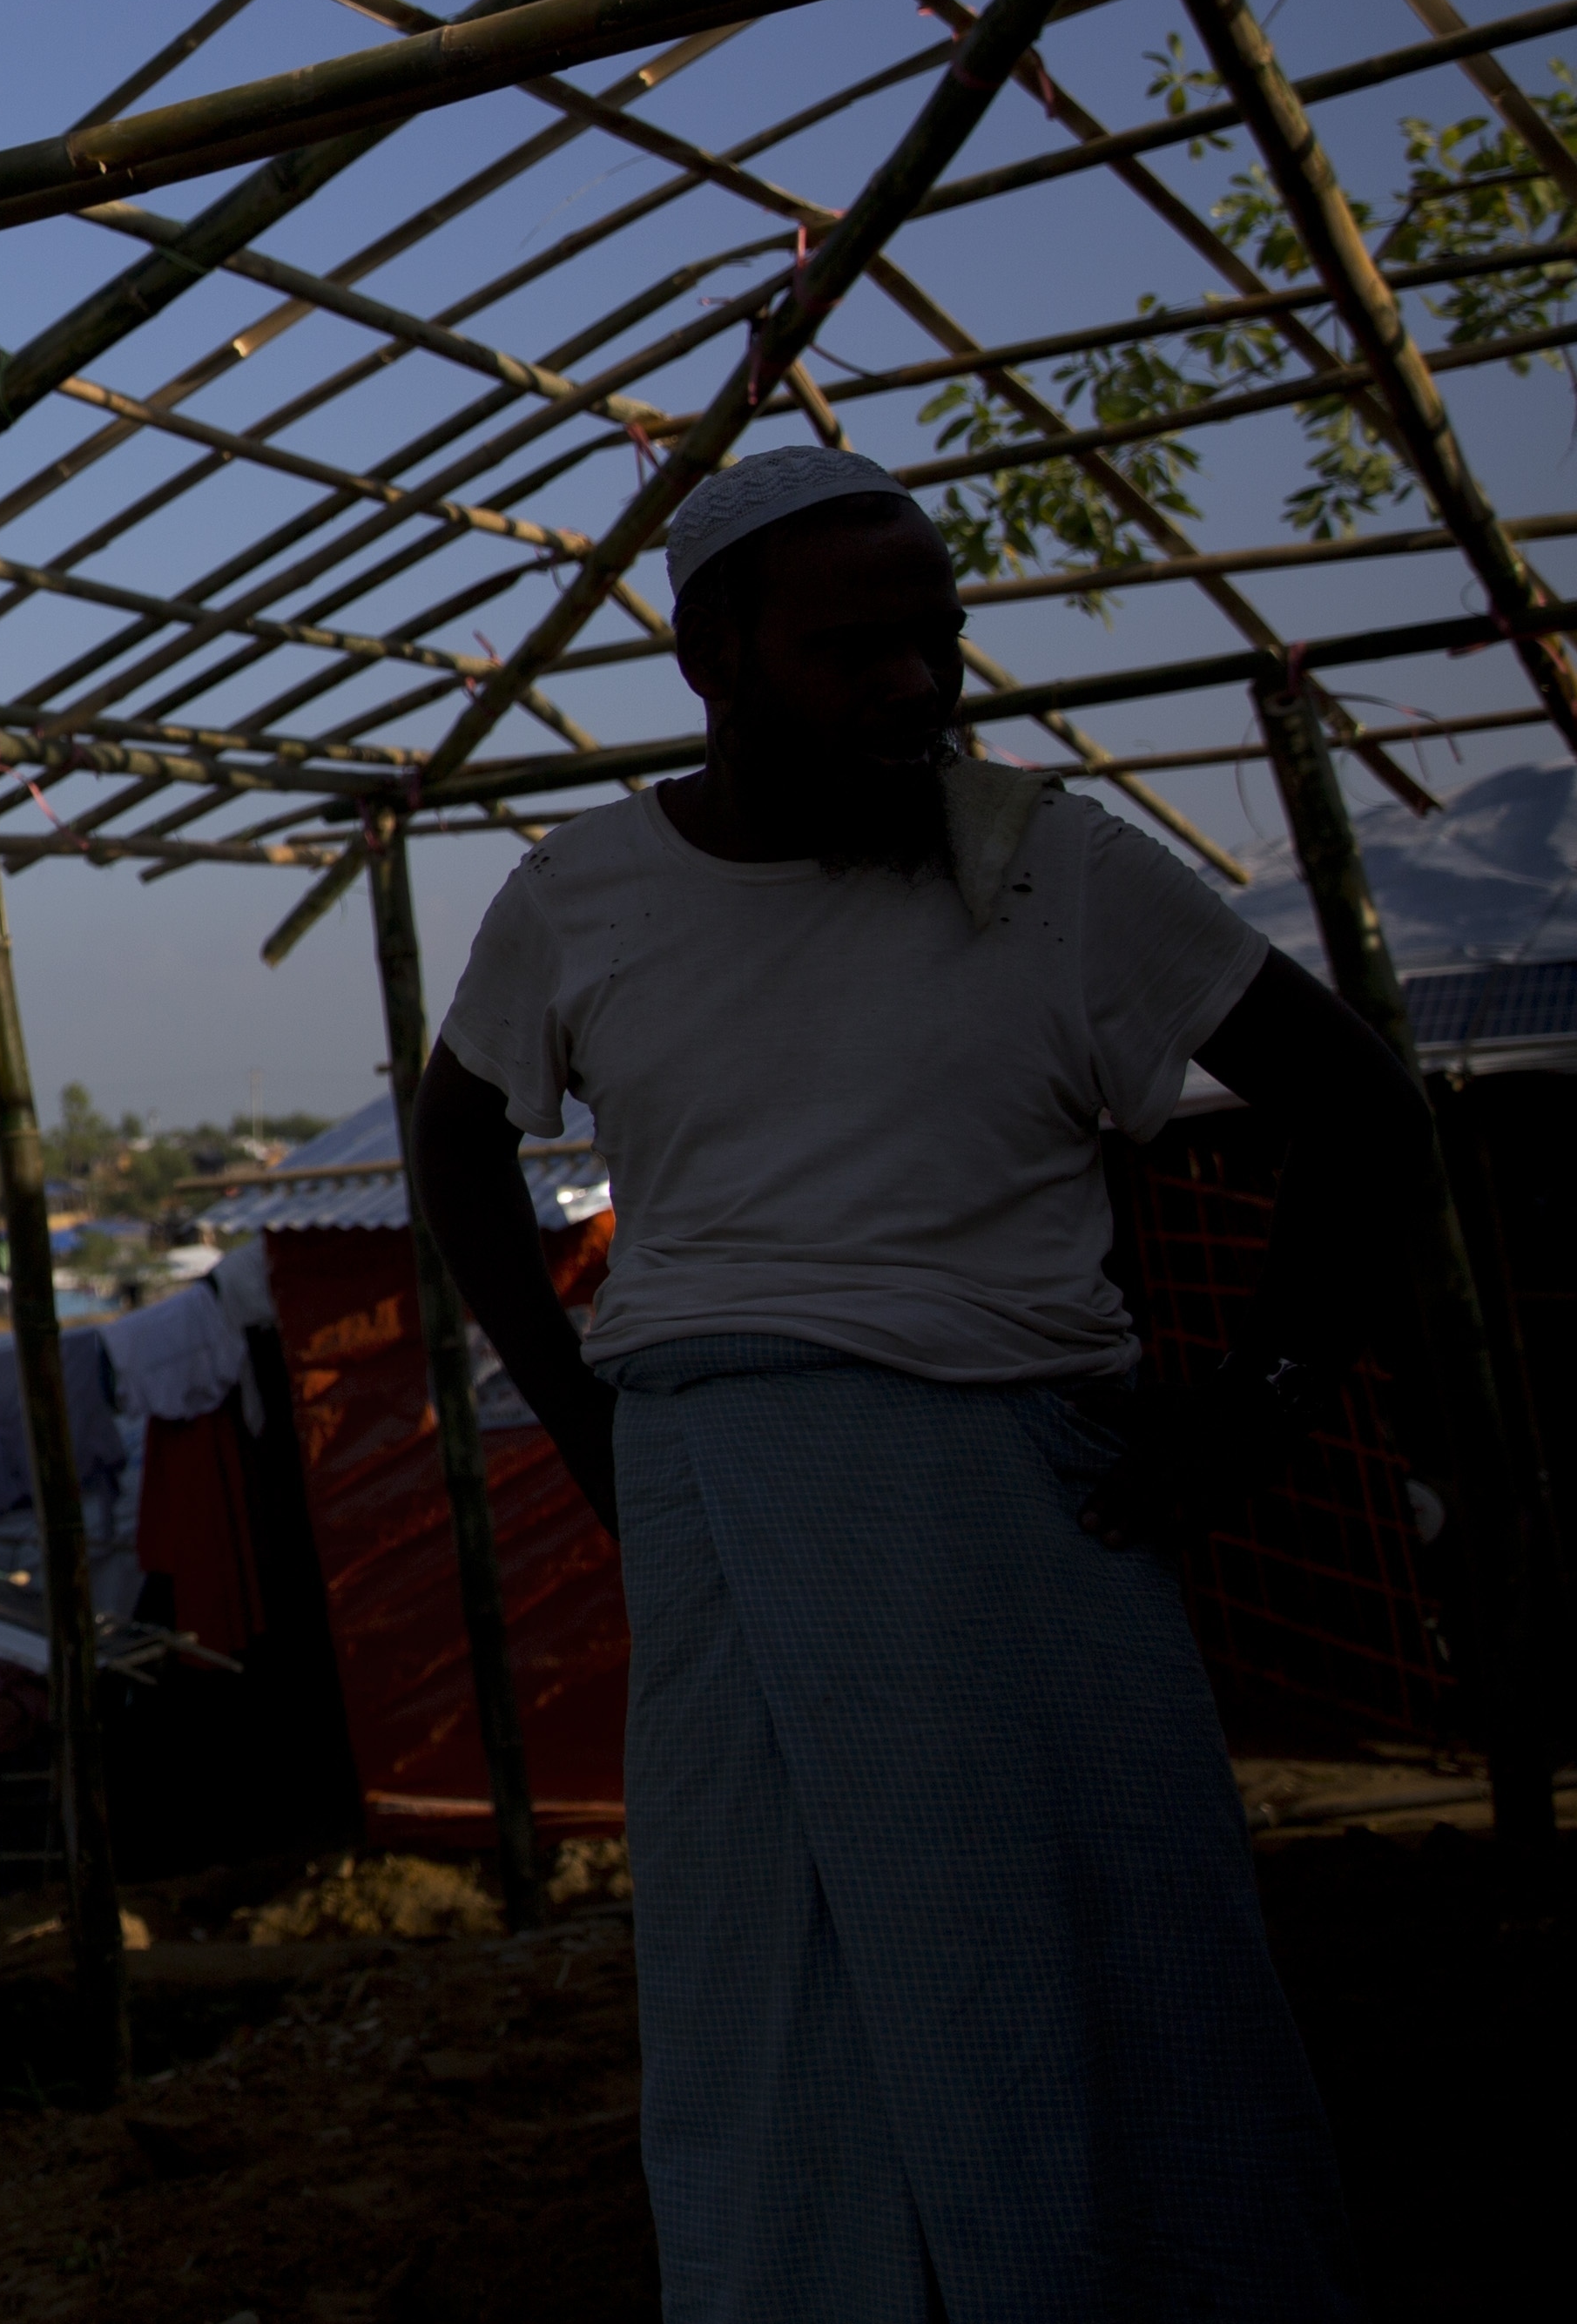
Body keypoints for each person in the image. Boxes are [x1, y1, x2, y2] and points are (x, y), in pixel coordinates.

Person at [414, 441, 1419, 2320]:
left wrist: (1263, 1396)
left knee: (1106, 1968)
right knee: (767, 1981)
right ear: (711, 659)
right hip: (728, 1500)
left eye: (932, 642)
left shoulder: (1056, 870)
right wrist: (590, 1432)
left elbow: (1361, 1114)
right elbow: (456, 1141)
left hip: (1029, 1507)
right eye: (849, 650)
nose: (913, 686)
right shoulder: (586, 893)